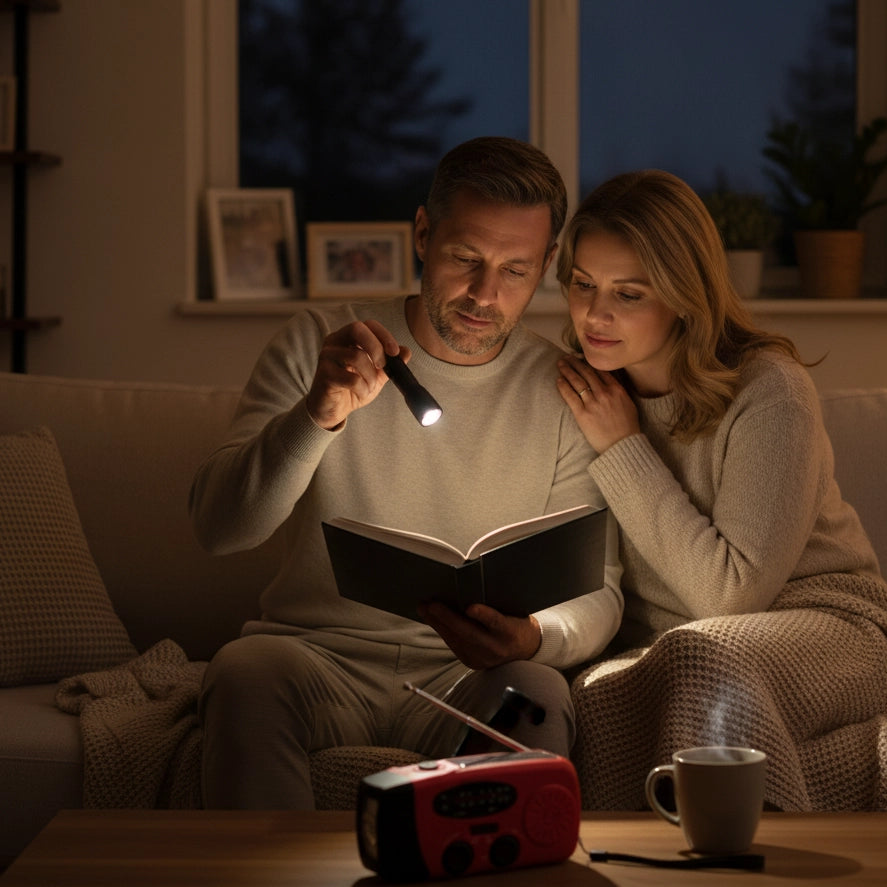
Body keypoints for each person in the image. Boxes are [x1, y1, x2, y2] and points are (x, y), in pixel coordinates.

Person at [190, 137, 623, 809]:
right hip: (314, 658)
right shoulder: (318, 345)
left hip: (470, 673)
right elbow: (220, 529)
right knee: (243, 672)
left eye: (515, 269)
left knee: (535, 693)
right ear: (422, 233)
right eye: (464, 259)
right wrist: (318, 415)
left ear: (548, 263)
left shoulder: (566, 391)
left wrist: (533, 636)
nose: (484, 294)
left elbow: (601, 589)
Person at [555, 169, 887, 650]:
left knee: (700, 672)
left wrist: (624, 447)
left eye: (628, 294)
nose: (593, 314)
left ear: (685, 296)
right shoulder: (584, 390)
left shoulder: (771, 392)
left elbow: (731, 599)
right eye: (583, 285)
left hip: (823, 620)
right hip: (670, 646)